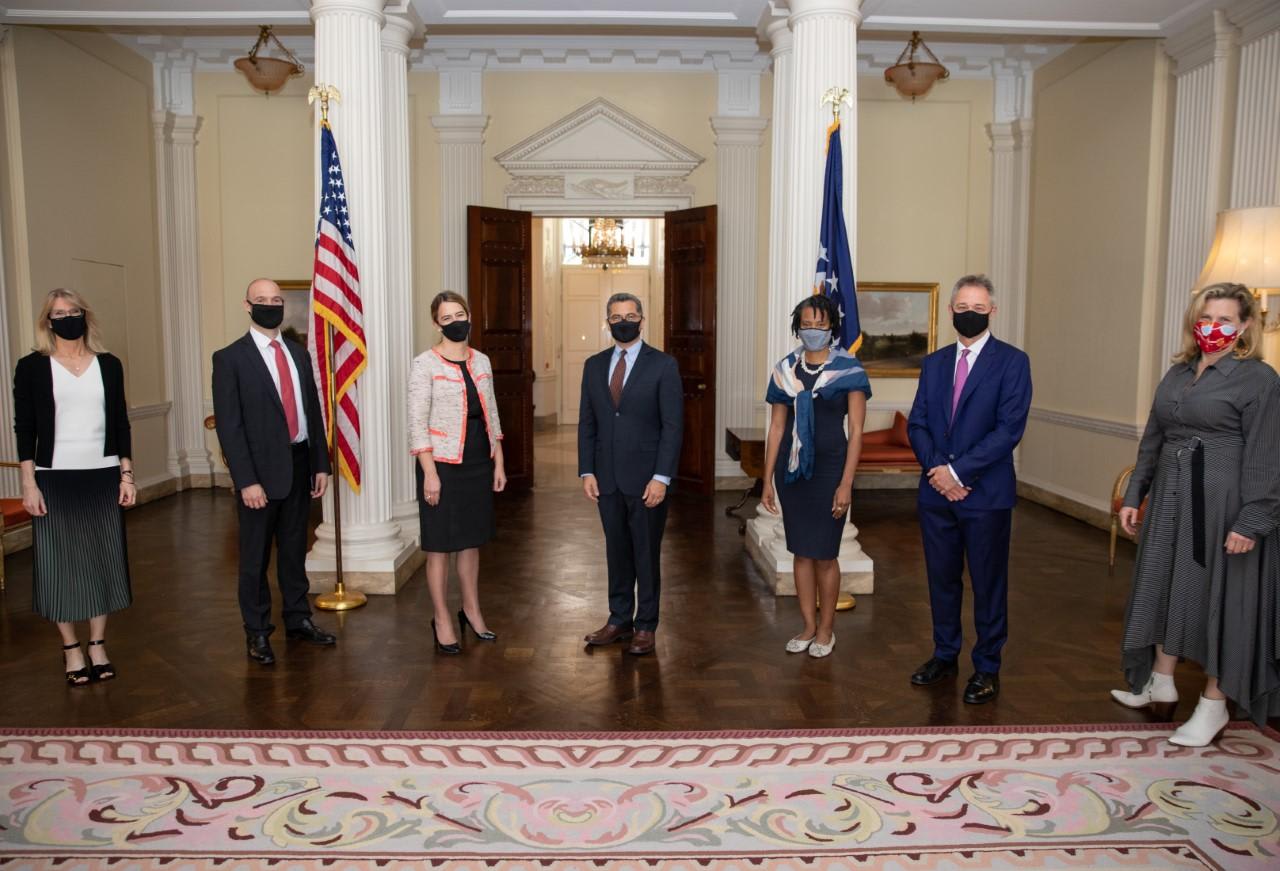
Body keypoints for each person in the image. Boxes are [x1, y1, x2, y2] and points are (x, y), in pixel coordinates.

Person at [1111, 282, 1280, 746]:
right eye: (1207, 317)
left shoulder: (1259, 380)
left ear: (1246, 325)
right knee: (1165, 585)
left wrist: (1252, 520)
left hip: (1224, 502)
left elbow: (1269, 456)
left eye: (1226, 319)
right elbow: (1154, 439)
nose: (1214, 327)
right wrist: (1134, 494)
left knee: (1223, 600)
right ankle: (1159, 684)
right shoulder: (1179, 373)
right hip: (1170, 496)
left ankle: (1214, 705)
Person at [907, 274, 1032, 704]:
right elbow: (917, 422)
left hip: (986, 495)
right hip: (935, 495)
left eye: (979, 309)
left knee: (987, 583)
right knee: (941, 580)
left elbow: (1008, 430)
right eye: (963, 307)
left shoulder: (1013, 363)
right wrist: (938, 471)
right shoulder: (934, 363)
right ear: (951, 310)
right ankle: (944, 654)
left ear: (992, 311)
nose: (970, 314)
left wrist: (957, 474)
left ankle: (987, 668)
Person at [13, 289, 135, 686]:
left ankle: (97, 644)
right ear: (48, 322)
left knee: (103, 559)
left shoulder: (109, 365)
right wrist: (29, 484)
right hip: (54, 476)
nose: (67, 318)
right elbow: (25, 429)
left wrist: (126, 475)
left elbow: (120, 423)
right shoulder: (32, 367)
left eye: (74, 311)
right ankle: (70, 648)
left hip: (101, 474)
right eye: (58, 313)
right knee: (60, 565)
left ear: (86, 315)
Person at [212, 278, 334, 666]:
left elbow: (313, 414)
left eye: (277, 300)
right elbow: (230, 427)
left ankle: (298, 619)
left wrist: (321, 464)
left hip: (300, 466)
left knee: (294, 552)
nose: (270, 305)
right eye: (262, 300)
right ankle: (258, 633)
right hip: (259, 476)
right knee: (254, 559)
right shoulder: (230, 359)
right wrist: (246, 480)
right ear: (247, 306)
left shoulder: (299, 354)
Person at [761, 295, 870, 658]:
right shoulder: (784, 370)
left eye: (820, 326)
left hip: (830, 471)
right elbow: (777, 429)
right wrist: (765, 482)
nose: (813, 331)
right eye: (807, 325)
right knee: (801, 552)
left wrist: (846, 483)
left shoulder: (849, 369)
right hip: (791, 474)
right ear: (797, 326)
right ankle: (807, 626)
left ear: (832, 328)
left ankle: (827, 630)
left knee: (824, 553)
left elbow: (856, 431)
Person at [578, 292, 683, 656]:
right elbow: (587, 423)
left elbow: (672, 427)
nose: (624, 321)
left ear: (642, 319)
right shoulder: (593, 365)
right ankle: (619, 618)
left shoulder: (664, 365)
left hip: (647, 480)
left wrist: (662, 477)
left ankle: (646, 625)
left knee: (645, 553)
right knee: (616, 550)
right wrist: (587, 470)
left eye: (631, 315)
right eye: (616, 316)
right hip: (606, 478)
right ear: (607, 322)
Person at [407, 291, 507, 654]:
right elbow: (417, 424)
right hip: (442, 465)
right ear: (436, 323)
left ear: (469, 316)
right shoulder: (425, 364)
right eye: (446, 318)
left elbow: (492, 413)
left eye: (460, 314)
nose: (455, 322)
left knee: (471, 542)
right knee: (439, 547)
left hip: (478, 461)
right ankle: (442, 618)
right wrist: (429, 474)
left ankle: (472, 610)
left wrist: (499, 461)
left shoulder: (481, 361)